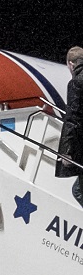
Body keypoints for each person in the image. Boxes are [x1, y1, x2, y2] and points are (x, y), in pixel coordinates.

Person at [56, 46, 83, 207]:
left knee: (78, 191)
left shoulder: (76, 83)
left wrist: (66, 152)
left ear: (71, 64)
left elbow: (72, 118)